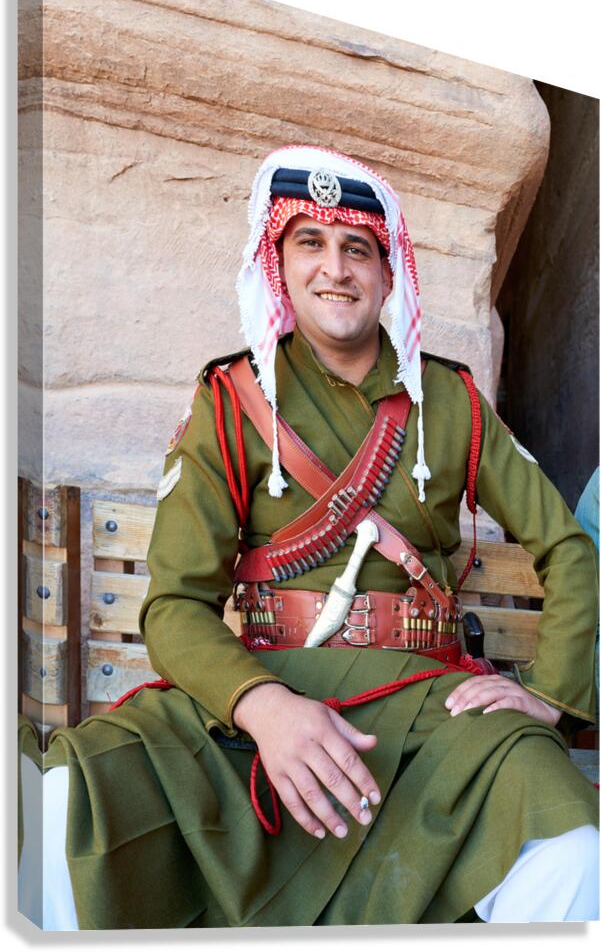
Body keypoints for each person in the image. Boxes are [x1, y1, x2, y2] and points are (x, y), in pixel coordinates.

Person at [19, 146, 599, 930]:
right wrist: (264, 708)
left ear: (387, 274)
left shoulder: (451, 401)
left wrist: (548, 692)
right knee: (62, 802)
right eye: (311, 243)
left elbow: (569, 548)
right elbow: (176, 608)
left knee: (568, 843)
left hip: (431, 714)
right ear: (278, 263)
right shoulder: (230, 400)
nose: (335, 268)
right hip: (257, 704)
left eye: (357, 247)